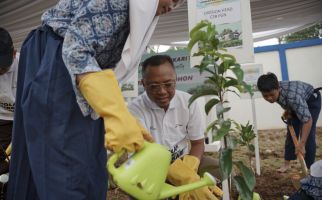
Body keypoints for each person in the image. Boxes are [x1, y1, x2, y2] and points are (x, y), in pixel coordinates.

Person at [6, 1, 184, 199]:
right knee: (64, 169)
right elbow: (77, 49)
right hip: (58, 61)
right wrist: (114, 112)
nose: (173, 6)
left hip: (79, 72)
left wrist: (120, 114)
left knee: (89, 167)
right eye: (174, 0)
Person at [128, 55, 222, 199]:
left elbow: (197, 143)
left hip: (185, 160)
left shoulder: (188, 102)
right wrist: (185, 179)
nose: (162, 91)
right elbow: (145, 156)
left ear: (175, 80)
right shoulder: (134, 110)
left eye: (168, 84)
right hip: (149, 168)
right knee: (140, 191)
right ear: (143, 83)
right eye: (154, 86)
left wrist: (190, 170)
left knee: (220, 170)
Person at [257, 72, 321, 173]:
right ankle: (286, 165)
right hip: (296, 103)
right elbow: (286, 101)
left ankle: (309, 169)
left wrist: (301, 144)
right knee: (291, 132)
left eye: (272, 95)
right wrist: (288, 110)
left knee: (308, 135)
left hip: (311, 100)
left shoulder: (292, 97)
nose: (269, 98)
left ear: (278, 88)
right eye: (265, 96)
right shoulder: (276, 89)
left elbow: (307, 121)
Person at [0, 27, 19, 175]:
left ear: (13, 53)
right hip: (2, 120)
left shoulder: (27, 63)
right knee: (3, 165)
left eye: (3, 66)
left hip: (25, 118)